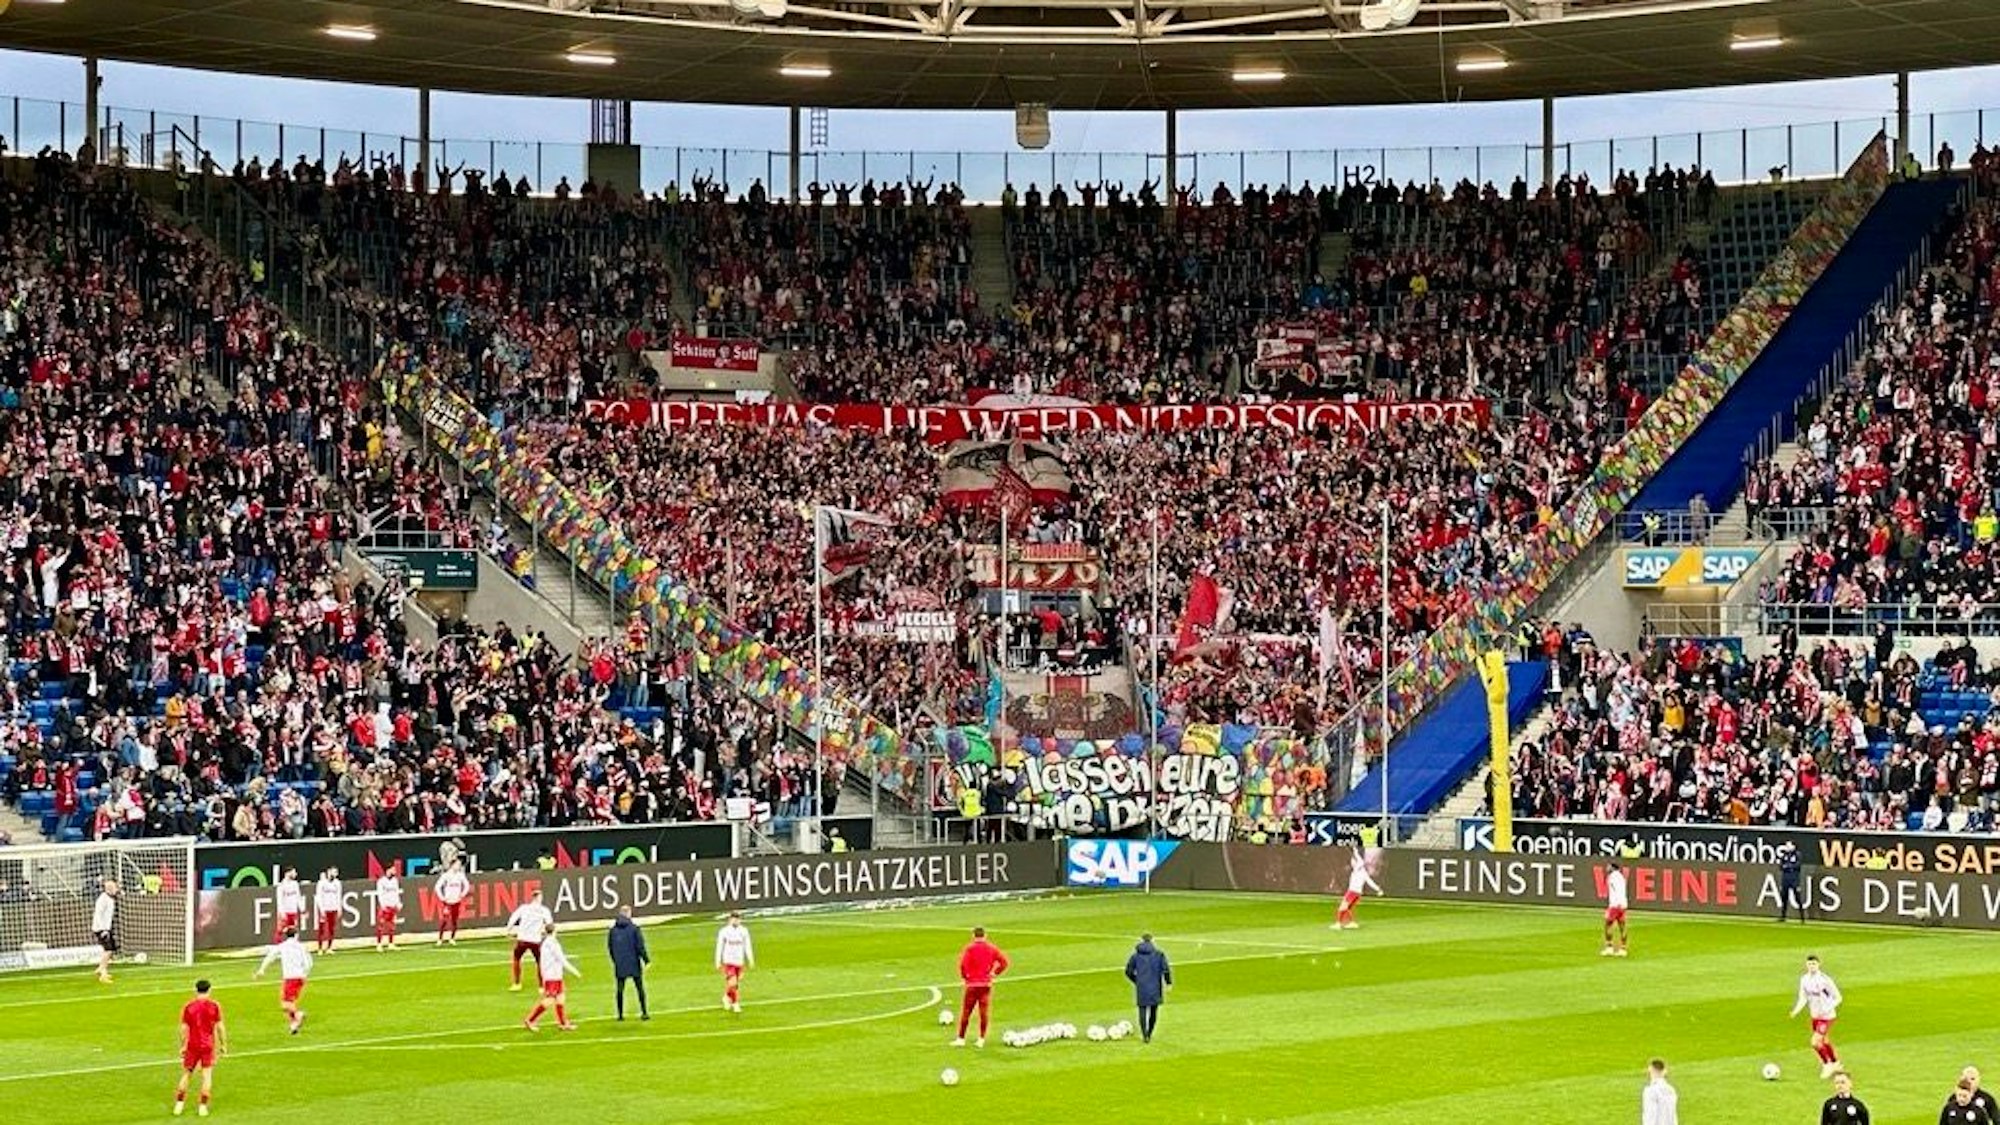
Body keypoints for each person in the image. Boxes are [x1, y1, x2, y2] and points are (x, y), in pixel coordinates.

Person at [173, 979, 226, 1117]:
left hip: (193, 1045)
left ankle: (179, 1105)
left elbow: (183, 1028)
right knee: (207, 1076)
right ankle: (202, 1106)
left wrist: (183, 1046)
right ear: (209, 990)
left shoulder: (189, 1006)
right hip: (207, 1045)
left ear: (195, 990)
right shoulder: (214, 1006)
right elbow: (220, 1027)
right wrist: (224, 1044)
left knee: (187, 1074)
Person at [953, 925, 1009, 1048]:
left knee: (966, 1012)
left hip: (972, 985)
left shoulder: (970, 948)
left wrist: (965, 977)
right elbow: (1004, 962)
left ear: (973, 935)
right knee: (983, 1012)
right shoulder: (992, 948)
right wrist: (994, 973)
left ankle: (961, 1039)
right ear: (985, 935)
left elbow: (963, 965)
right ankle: (981, 1039)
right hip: (985, 985)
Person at [1790, 954, 1844, 1079]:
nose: (1811, 966)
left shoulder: (1825, 980)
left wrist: (1828, 1008)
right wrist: (1796, 1010)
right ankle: (1836, 1063)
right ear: (1806, 965)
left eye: (1814, 964)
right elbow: (1803, 997)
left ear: (1818, 964)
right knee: (1824, 1041)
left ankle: (1827, 1065)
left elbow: (1838, 997)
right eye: (1809, 964)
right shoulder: (1804, 979)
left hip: (1826, 1016)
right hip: (1815, 1016)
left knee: (1815, 1042)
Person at [254, 927, 314, 1035]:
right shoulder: (301, 947)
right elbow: (308, 962)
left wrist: (262, 969)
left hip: (290, 978)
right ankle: (293, 1025)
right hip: (299, 977)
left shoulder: (282, 946)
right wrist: (304, 974)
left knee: (285, 1004)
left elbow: (270, 957)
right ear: (296, 935)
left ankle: (298, 1015)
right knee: (289, 1002)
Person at [523, 923, 580, 1032]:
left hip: (554, 975)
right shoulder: (552, 944)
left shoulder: (546, 943)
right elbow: (561, 959)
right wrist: (574, 971)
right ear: (554, 931)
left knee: (560, 998)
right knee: (549, 1000)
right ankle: (530, 1020)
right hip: (552, 976)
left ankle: (563, 1023)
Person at [1123, 933, 1172, 1044]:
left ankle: (1145, 1035)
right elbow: (1165, 970)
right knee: (1154, 1011)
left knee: (1142, 1009)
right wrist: (1168, 983)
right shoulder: (1159, 955)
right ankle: (1150, 1033)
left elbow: (1128, 971)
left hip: (1142, 987)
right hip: (1155, 986)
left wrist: (1136, 980)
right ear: (1152, 941)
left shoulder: (1135, 956)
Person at [607, 905, 651, 1021]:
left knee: (620, 989)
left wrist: (616, 960)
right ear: (628, 914)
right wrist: (646, 960)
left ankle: (620, 1015)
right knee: (639, 987)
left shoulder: (613, 931)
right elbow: (640, 946)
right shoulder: (634, 929)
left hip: (620, 963)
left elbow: (610, 948)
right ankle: (644, 1012)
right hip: (633, 962)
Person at [507, 887, 555, 991]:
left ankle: (517, 984)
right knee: (540, 962)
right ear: (539, 898)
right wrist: (551, 937)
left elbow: (512, 919)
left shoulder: (524, 908)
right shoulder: (544, 910)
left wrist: (508, 930)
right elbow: (550, 924)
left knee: (516, 959)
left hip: (522, 939)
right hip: (535, 940)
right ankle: (541, 986)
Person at [715, 910, 754, 1013]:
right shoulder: (724, 931)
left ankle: (726, 997)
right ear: (730, 919)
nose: (736, 920)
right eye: (734, 918)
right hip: (728, 961)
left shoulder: (744, 931)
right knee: (733, 982)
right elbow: (719, 946)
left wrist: (750, 959)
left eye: (737, 918)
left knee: (734, 984)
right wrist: (718, 961)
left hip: (739, 961)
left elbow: (747, 946)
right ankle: (735, 1003)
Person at [1335, 846, 1382, 930]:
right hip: (1358, 893)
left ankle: (1338, 924)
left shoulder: (1358, 869)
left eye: (1353, 862)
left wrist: (1355, 851)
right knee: (1348, 908)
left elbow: (1359, 860)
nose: (1352, 863)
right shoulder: (1363, 872)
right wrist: (1378, 889)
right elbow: (1370, 882)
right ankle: (1352, 923)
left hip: (1352, 892)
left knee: (1342, 907)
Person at [433, 859, 471, 946]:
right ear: (452, 865)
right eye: (457, 864)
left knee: (454, 920)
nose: (458, 866)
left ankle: (452, 938)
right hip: (447, 902)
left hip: (456, 901)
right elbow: (437, 886)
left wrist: (462, 894)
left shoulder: (460, 875)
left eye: (459, 865)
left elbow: (467, 885)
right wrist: (442, 897)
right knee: (444, 920)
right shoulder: (446, 876)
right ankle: (440, 938)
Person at [91, 876, 119, 983]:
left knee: (109, 950)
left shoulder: (109, 899)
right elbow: (98, 914)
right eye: (115, 888)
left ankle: (101, 968)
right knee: (108, 950)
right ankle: (103, 973)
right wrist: (103, 930)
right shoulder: (103, 899)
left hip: (106, 928)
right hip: (101, 929)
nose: (116, 889)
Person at [1602, 861, 1630, 957]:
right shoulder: (1621, 877)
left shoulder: (1612, 877)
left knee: (1608, 925)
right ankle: (1623, 949)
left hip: (1615, 905)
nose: (1606, 868)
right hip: (1623, 904)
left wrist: (1616, 904)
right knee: (1622, 926)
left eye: (1608, 866)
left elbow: (1616, 891)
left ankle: (1609, 947)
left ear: (1612, 868)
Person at [313, 867, 342, 954]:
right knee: (321, 928)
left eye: (336, 873)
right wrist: (321, 909)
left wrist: (339, 908)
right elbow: (319, 896)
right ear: (329, 872)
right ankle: (320, 948)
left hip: (333, 908)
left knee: (331, 929)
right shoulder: (321, 883)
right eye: (334, 872)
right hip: (324, 908)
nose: (335, 874)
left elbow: (339, 896)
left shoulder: (337, 883)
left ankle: (329, 947)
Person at [1641, 1057, 1678, 1125]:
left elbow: (1650, 1117)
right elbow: (1673, 1117)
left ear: (1651, 1070)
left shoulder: (1650, 1091)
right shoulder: (1671, 1090)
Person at [373, 869, 403, 951]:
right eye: (392, 870)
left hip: (393, 905)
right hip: (385, 906)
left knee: (392, 926)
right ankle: (379, 944)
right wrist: (382, 905)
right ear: (387, 871)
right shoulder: (381, 881)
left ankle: (391, 943)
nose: (393, 872)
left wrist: (398, 903)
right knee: (381, 925)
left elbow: (396, 893)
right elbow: (379, 894)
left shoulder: (395, 881)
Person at [1778, 840, 1807, 922]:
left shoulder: (1797, 854)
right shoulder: (1785, 855)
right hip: (1785, 878)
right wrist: (1787, 867)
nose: (1787, 847)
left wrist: (1788, 866)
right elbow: (1780, 866)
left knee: (1797, 898)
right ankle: (1783, 916)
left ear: (1793, 846)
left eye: (1788, 845)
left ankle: (1802, 917)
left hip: (1794, 879)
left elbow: (1798, 865)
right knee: (1784, 897)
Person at [274, 868, 305, 940]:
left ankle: (293, 946)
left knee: (294, 930)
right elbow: (279, 900)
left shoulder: (295, 884)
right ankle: (279, 947)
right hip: (285, 911)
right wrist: (282, 913)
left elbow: (298, 897)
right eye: (294, 872)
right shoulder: (281, 885)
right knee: (281, 930)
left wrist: (302, 909)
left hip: (293, 911)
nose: (295, 874)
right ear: (287, 873)